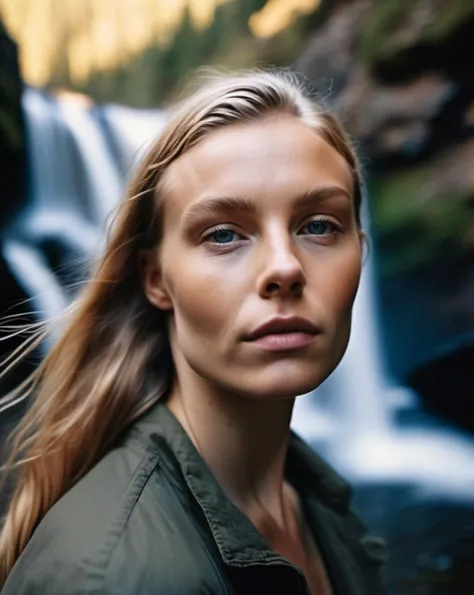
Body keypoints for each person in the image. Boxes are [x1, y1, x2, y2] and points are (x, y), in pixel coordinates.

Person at [0, 69, 386, 595]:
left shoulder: (305, 495)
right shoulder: (114, 577)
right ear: (156, 279)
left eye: (319, 225)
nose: (285, 267)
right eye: (224, 234)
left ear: (361, 250)